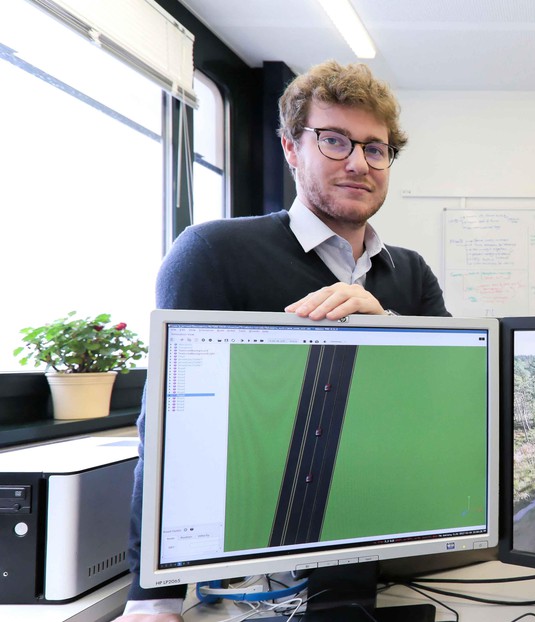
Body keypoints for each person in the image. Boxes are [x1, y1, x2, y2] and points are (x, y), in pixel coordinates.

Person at [114, 60, 447, 622]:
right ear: (292, 149)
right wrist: (154, 598)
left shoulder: (409, 275)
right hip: (262, 561)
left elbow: (450, 407)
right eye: (335, 141)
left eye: (375, 148)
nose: (359, 163)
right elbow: (170, 428)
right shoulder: (215, 252)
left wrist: (386, 323)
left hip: (388, 551)